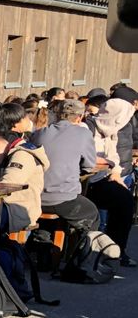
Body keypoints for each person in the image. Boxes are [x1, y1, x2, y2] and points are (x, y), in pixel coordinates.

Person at [31, 97, 102, 237]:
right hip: (63, 197)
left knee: (49, 222)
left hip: (36, 196)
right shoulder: (83, 134)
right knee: (92, 214)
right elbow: (89, 165)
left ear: (57, 115)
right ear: (79, 117)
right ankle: (78, 249)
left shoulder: (40, 133)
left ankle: (43, 242)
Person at [85, 94, 137, 263]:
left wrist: (115, 172)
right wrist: (108, 164)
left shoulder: (111, 132)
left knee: (126, 200)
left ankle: (115, 249)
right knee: (121, 201)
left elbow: (113, 156)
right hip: (84, 180)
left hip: (103, 177)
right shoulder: (88, 127)